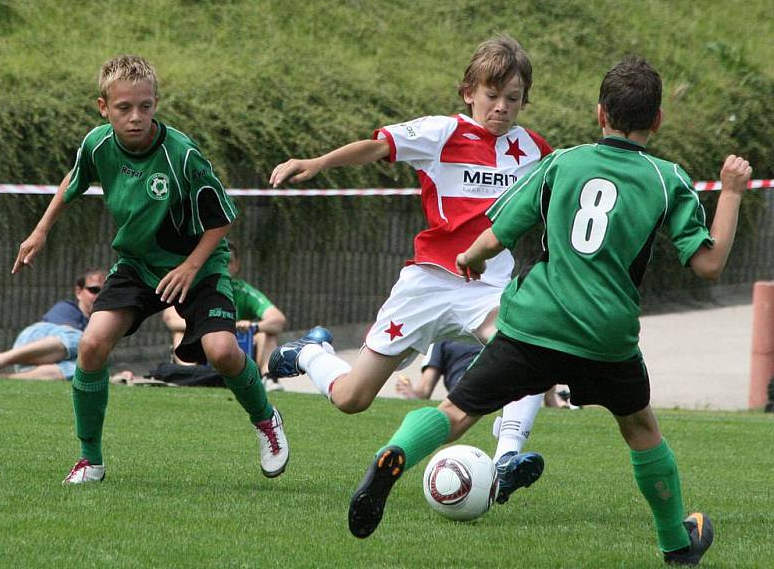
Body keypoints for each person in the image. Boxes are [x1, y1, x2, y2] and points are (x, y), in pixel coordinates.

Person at [347, 56, 752, 566]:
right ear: (659, 120)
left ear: (599, 113)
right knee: (642, 431)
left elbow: (496, 235)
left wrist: (470, 258)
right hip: (606, 337)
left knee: (457, 411)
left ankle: (397, 457)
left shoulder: (561, 162)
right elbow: (709, 265)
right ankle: (676, 543)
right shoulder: (667, 178)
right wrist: (732, 193)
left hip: (534, 323)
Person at [268, 35, 551, 499]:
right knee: (352, 399)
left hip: (487, 288)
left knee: (524, 349)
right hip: (427, 284)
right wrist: (317, 162)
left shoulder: (535, 150)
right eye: (492, 96)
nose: (501, 107)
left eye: (513, 99)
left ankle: (506, 460)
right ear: (469, 92)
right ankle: (310, 354)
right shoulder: (443, 132)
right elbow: (376, 147)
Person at [11, 55, 289, 484]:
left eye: (145, 106)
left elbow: (223, 216)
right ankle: (91, 459)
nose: (136, 117)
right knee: (91, 345)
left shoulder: (182, 154)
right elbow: (74, 179)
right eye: (124, 108)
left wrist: (191, 266)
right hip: (138, 266)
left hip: (200, 266)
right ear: (103, 107)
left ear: (155, 102)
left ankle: (266, 418)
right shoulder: (97, 144)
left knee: (222, 353)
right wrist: (40, 230)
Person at [161, 240, 287, 391]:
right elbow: (170, 318)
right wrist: (210, 326)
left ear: (236, 266)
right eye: (217, 260)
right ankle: (191, 376)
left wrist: (254, 326)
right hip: (202, 345)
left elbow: (278, 319)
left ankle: (269, 378)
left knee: (267, 334)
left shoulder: (243, 291)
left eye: (227, 261)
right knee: (180, 333)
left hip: (238, 348)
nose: (223, 266)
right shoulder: (192, 288)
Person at [0, 268, 106, 380]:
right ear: (79, 292)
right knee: (81, 340)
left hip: (43, 364)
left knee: (84, 371)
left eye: (104, 291)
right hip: (34, 342)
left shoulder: (98, 324)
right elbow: (68, 339)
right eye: (94, 290)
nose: (99, 295)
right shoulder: (67, 308)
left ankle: (0, 379)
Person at [397, 340, 576, 409]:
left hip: (507, 378)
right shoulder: (442, 338)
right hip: (468, 387)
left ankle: (555, 401)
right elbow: (425, 389)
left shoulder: (496, 326)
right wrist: (412, 393)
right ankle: (557, 402)